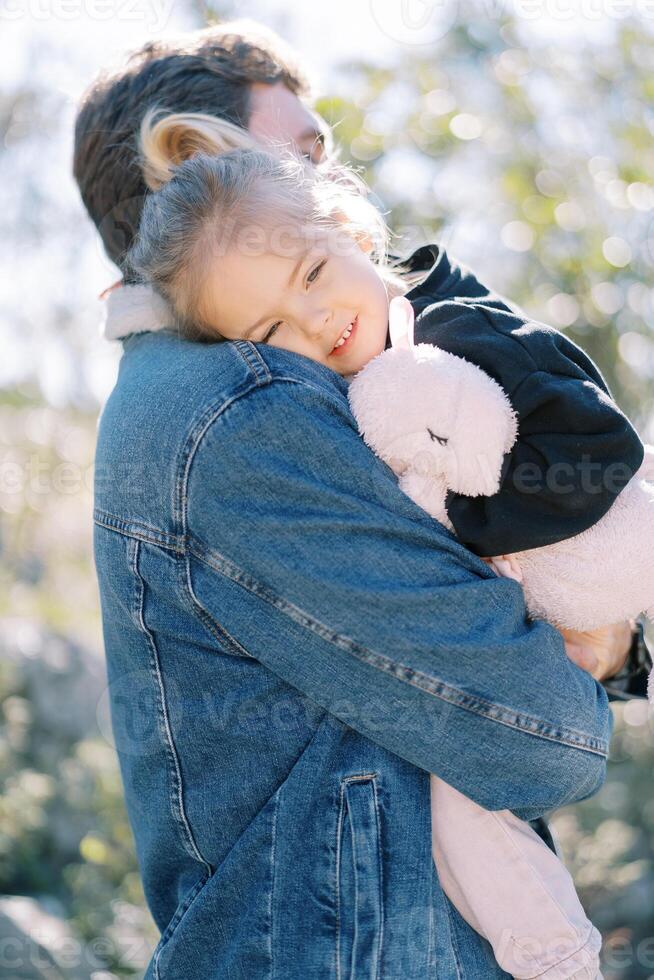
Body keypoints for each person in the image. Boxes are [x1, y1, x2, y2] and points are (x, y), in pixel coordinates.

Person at [73, 20, 650, 979]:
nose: (338, 182)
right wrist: (578, 659)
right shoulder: (249, 405)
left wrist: (613, 639)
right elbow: (544, 738)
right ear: (207, 170)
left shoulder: (233, 385)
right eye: (303, 155)